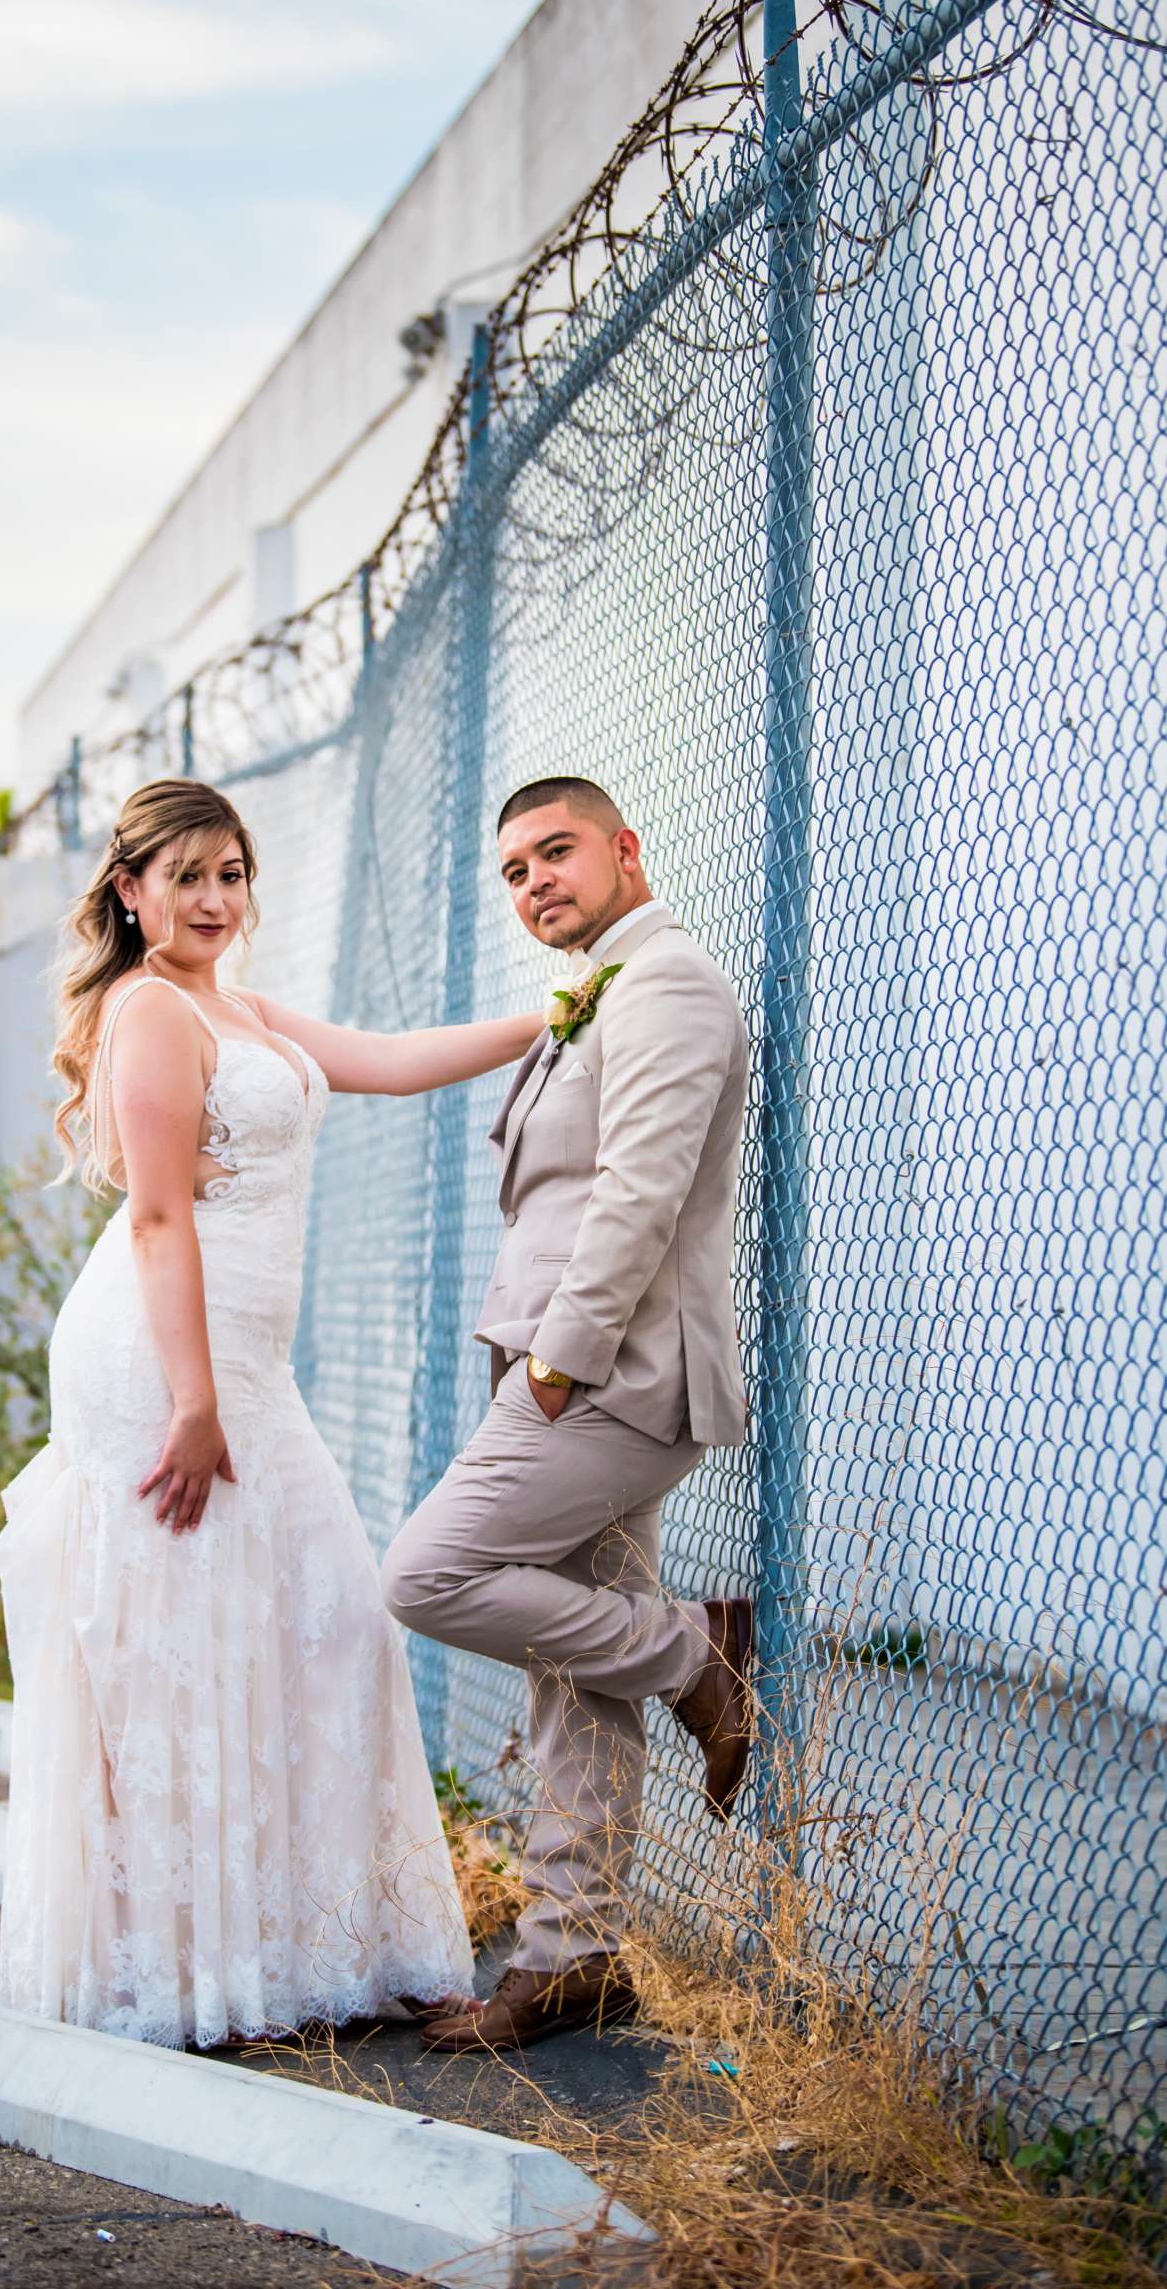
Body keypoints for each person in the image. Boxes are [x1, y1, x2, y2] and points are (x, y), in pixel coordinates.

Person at [0, 775, 540, 2051]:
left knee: (331, 1622)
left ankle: (332, 1948)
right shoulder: (147, 1013)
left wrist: (555, 1014)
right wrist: (192, 1403)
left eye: (230, 874)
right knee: (181, 1651)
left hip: (250, 1366)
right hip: (162, 1363)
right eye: (185, 877)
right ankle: (200, 1976)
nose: (213, 900)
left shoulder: (234, 1006)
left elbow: (395, 1065)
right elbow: (157, 1212)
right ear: (130, 892)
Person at [381, 775, 753, 2053]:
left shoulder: (668, 984)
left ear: (624, 848)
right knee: (571, 1665)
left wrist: (554, 1364)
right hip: (567, 1365)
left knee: (428, 1572)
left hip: (611, 1372)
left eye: (557, 853)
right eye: (516, 871)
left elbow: (640, 1194)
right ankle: (574, 1959)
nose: (536, 881)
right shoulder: (591, 992)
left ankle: (697, 1652)